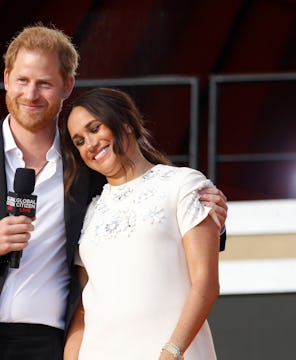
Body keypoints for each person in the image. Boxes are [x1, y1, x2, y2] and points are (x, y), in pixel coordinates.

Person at [0, 24, 228, 360]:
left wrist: (211, 216)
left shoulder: (87, 164)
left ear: (66, 86)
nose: (31, 94)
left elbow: (144, 207)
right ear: (7, 78)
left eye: (44, 83)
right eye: (23, 80)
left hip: (48, 345)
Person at [62, 87, 221, 360]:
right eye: (79, 141)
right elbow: (84, 309)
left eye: (95, 128)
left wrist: (173, 351)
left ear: (125, 123)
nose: (89, 144)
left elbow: (205, 283)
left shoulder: (183, 184)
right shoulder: (89, 211)